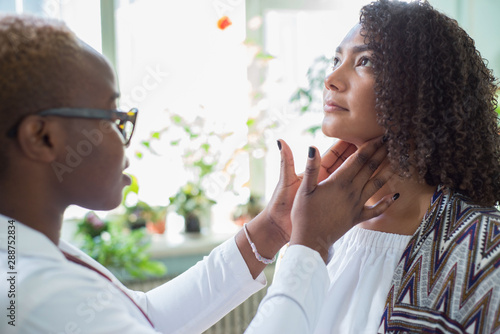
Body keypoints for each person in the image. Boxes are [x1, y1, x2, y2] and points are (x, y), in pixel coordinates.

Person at [0, 14, 398, 333]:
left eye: (363, 61)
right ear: (42, 137)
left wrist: (273, 228)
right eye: (111, 115)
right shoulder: (32, 296)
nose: (124, 135)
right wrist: (311, 244)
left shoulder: (25, 256)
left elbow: (146, 318)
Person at [267, 0, 500, 333]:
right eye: (336, 59)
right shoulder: (320, 231)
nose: (330, 79)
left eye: (365, 61)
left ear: (424, 89)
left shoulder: (485, 248)